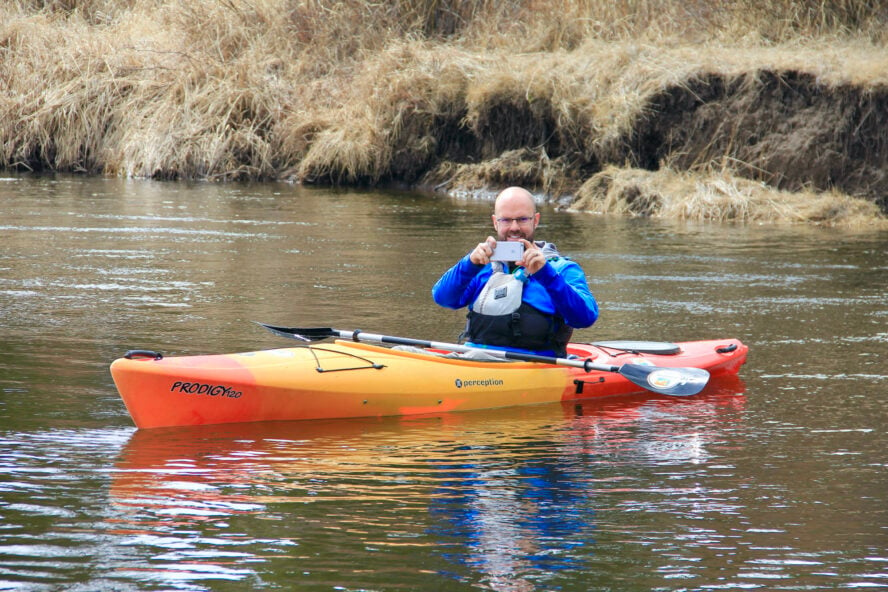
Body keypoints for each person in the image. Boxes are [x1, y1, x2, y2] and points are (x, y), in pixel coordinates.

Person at [432, 186, 598, 357]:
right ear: (495, 222)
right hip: (472, 360)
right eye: (506, 220)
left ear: (536, 220)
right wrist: (469, 264)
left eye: (522, 219)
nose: (514, 227)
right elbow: (443, 298)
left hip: (531, 367)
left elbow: (585, 318)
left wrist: (546, 274)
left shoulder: (561, 269)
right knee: (403, 350)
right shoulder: (481, 264)